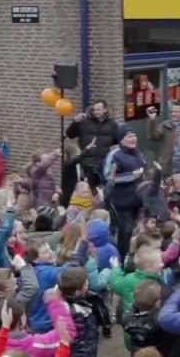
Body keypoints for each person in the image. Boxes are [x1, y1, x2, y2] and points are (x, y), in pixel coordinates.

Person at [104, 127, 146, 257]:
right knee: (125, 232)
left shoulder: (138, 153)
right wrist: (131, 175)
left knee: (139, 233)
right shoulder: (116, 155)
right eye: (129, 136)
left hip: (138, 202)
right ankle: (121, 259)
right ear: (121, 140)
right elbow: (110, 177)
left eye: (134, 136)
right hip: (122, 202)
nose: (133, 139)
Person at [65, 100, 119, 190]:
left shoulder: (112, 124)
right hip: (87, 163)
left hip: (103, 163)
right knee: (88, 190)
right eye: (94, 110)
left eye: (99, 109)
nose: (96, 112)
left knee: (104, 190)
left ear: (105, 110)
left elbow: (116, 139)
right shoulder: (84, 122)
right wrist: (74, 122)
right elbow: (70, 134)